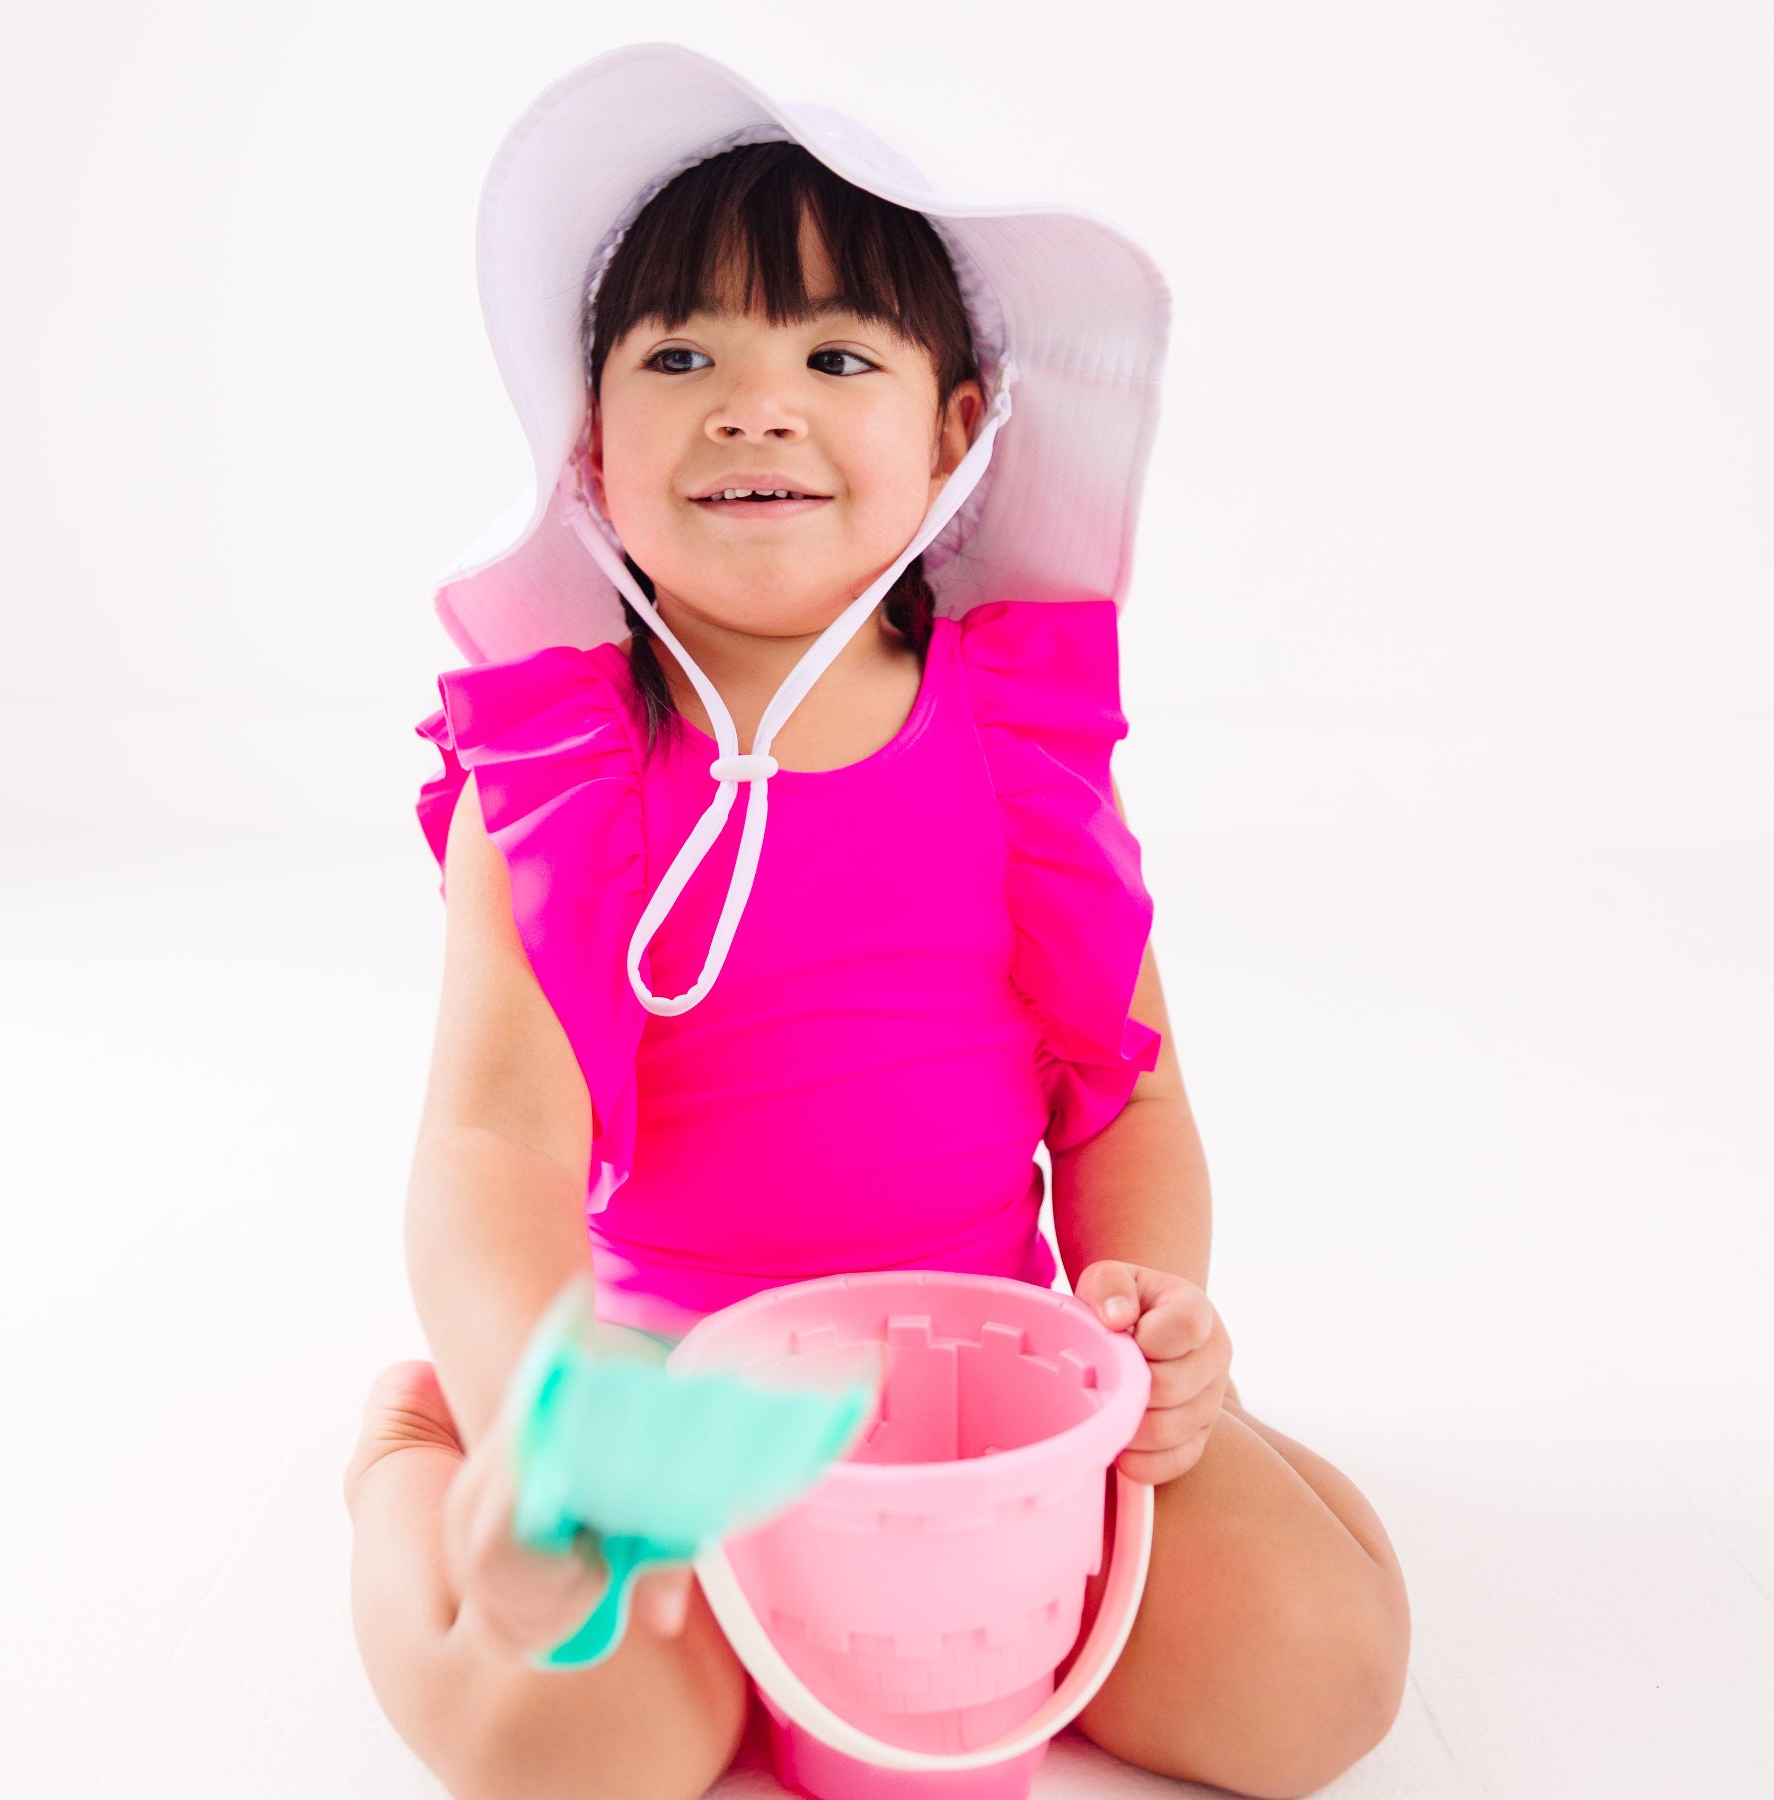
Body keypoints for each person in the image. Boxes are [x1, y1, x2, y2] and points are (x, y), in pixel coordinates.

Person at [343, 44, 1411, 1800]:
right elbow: (491, 1144)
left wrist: (1151, 1315)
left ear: (957, 433)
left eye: (836, 358)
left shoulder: (1017, 746)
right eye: (680, 356)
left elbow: (1126, 1092)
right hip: (674, 1401)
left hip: (987, 1386)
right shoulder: (561, 776)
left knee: (1321, 1680)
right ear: (590, 442)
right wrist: (544, 1402)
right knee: (567, 1748)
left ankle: (1213, 1448)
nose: (752, 407)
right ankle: (411, 1465)